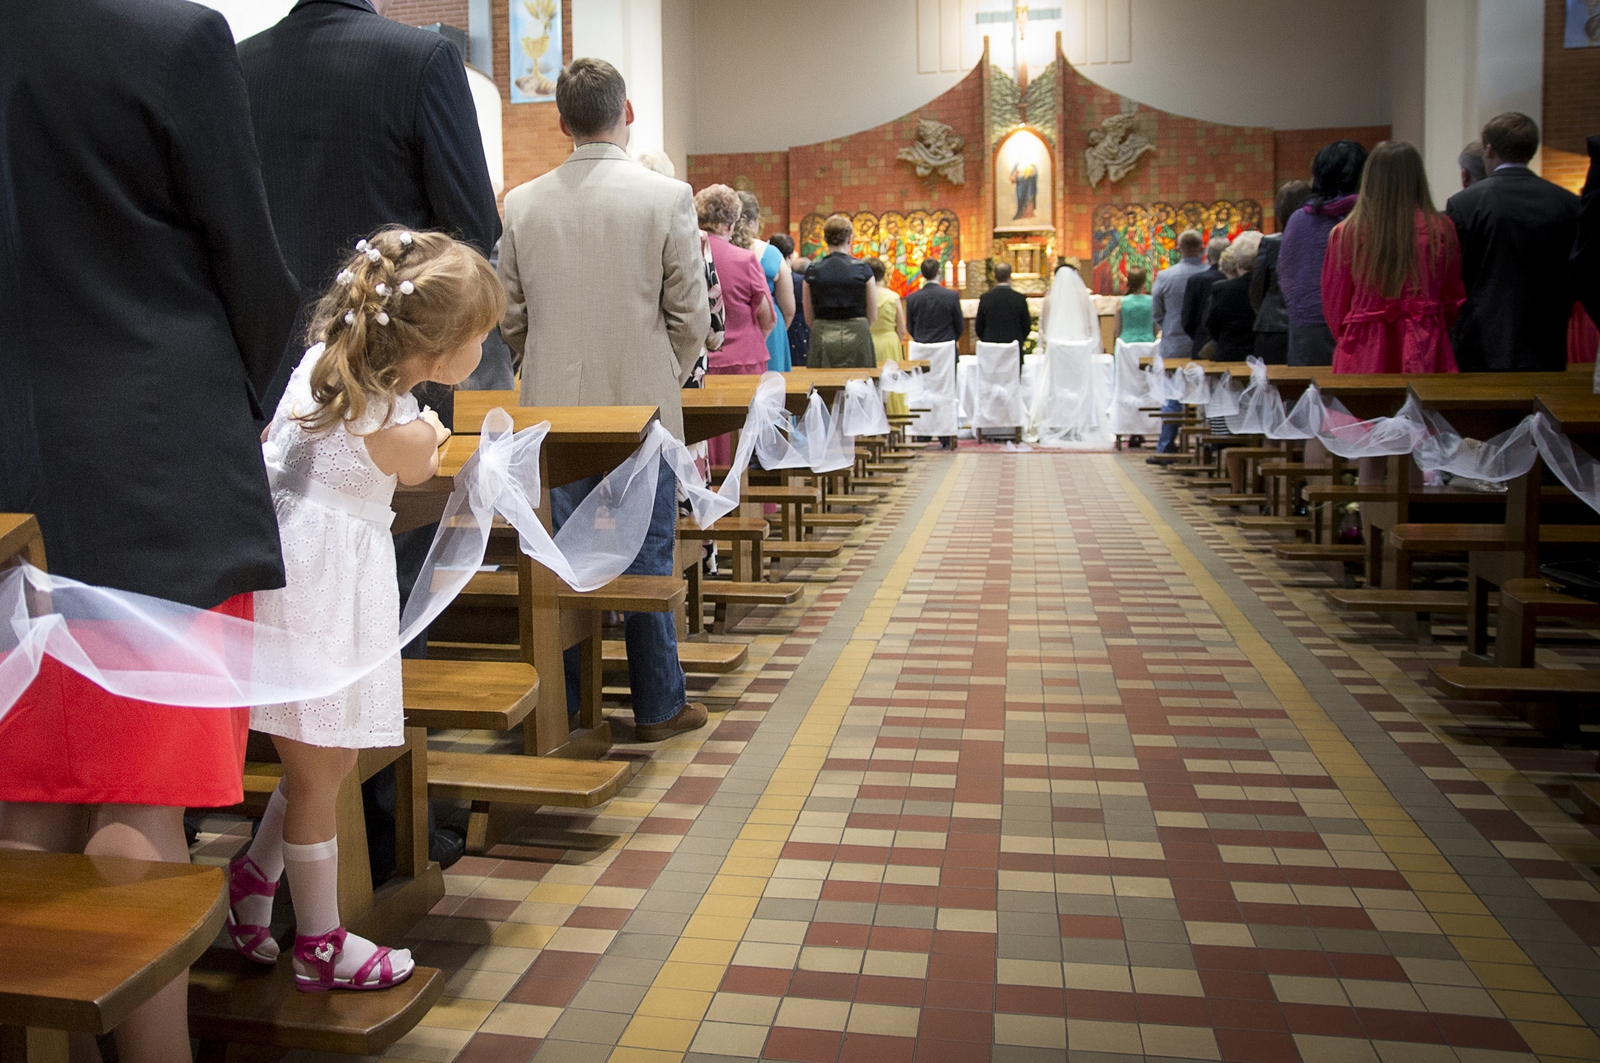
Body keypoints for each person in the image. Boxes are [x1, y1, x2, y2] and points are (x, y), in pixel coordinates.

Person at [0, 0, 300, 1054]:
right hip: (156, 459)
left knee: (22, 798)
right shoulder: (169, 38)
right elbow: (256, 272)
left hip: (12, 478)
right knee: (144, 796)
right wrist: (240, 402)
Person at [241, 0, 503, 877]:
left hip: (268, 377)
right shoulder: (419, 62)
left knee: (280, 637)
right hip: (395, 367)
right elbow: (470, 222)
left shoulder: (236, 62)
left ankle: (267, 851)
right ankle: (382, 846)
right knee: (373, 622)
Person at [232, 230, 500, 991]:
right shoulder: (396, 421)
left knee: (324, 755)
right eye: (478, 336)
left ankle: (253, 879)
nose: (484, 347)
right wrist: (432, 433)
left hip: (303, 574)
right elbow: (422, 459)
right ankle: (319, 941)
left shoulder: (325, 369)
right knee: (321, 770)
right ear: (440, 349)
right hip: (320, 593)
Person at [499, 58, 710, 741]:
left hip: (552, 411)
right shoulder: (666, 196)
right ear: (628, 114)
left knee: (559, 564)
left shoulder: (522, 203)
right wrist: (659, 373)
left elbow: (509, 315)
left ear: (560, 122)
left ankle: (568, 708)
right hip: (640, 409)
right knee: (646, 555)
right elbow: (691, 314)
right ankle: (657, 704)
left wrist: (540, 365)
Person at [1447, 113, 1581, 372]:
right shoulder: (1567, 203)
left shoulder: (1465, 204)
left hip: (1482, 342)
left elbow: (1456, 277)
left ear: (1489, 149)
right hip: (1547, 341)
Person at [1322, 141, 1464, 375]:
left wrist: (1362, 325)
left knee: (1364, 410)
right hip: (1425, 345)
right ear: (1417, 177)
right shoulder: (1440, 228)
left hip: (1364, 350)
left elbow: (1334, 306)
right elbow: (1452, 299)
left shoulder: (1347, 232)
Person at [697, 184, 775, 463]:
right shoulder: (744, 259)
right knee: (745, 439)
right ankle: (753, 502)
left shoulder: (685, 256)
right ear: (731, 223)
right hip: (744, 360)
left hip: (699, 362)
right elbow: (766, 316)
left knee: (702, 437)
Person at [1279, 139, 1368, 366]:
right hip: (1361, 329)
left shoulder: (1300, 219)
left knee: (1312, 399)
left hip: (1308, 329)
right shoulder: (1370, 218)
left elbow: (1286, 273)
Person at [1148, 229, 1210, 453]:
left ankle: (1166, 446)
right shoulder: (1211, 273)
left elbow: (1157, 312)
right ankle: (1208, 446)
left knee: (1172, 394)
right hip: (1204, 345)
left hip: (1174, 342)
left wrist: (1169, 326)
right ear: (1202, 247)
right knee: (1207, 391)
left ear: (1179, 249)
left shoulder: (1166, 276)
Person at [1250, 180, 1313, 364]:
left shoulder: (1271, 243)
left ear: (1279, 211)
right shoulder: (1322, 238)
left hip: (1273, 326)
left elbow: (1257, 289)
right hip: (1310, 325)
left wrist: (1266, 311)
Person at [804, 213, 878, 368]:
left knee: (822, 388)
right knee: (860, 386)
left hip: (822, 334)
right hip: (858, 334)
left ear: (825, 239)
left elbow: (809, 317)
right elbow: (873, 315)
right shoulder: (864, 270)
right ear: (850, 239)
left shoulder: (812, 270)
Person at [734, 191, 794, 371]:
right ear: (753, 222)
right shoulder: (771, 253)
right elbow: (789, 309)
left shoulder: (717, 251)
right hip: (769, 328)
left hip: (731, 330)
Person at [1203, 231, 1264, 362]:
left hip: (1231, 355)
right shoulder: (1271, 288)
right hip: (1263, 356)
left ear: (1238, 262)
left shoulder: (1222, 289)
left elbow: (1212, 326)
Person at [867, 258, 911, 416]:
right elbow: (901, 329)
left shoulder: (863, 297)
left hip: (869, 342)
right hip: (889, 342)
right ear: (883, 275)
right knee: (891, 383)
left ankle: (872, 419)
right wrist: (897, 341)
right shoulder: (892, 297)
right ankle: (894, 416)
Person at [1180, 236, 1229, 354]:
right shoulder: (1233, 279)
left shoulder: (1196, 281)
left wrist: (1199, 336)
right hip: (1230, 345)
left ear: (1207, 256)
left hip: (1202, 344)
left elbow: (1187, 320)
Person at [976, 262, 1034, 357]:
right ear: (1010, 276)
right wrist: (1018, 340)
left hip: (991, 350)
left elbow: (979, 327)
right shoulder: (1019, 298)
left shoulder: (985, 298)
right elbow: (1026, 326)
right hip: (1014, 350)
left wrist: (988, 341)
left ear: (995, 276)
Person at [906, 258, 966, 344]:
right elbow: (959, 326)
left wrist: (922, 340)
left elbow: (910, 327)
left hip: (923, 348)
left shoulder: (912, 299)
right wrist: (950, 341)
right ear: (939, 271)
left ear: (922, 274)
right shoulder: (951, 296)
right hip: (946, 347)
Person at [771, 233, 810, 364]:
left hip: (773, 327)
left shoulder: (767, 278)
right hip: (799, 330)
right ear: (790, 256)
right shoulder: (800, 281)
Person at [1115, 266, 1156, 343]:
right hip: (1148, 345)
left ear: (1129, 282)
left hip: (1126, 344)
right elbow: (1156, 328)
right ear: (1144, 282)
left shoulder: (1121, 302)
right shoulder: (1152, 301)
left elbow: (1116, 331)